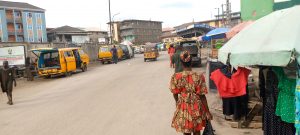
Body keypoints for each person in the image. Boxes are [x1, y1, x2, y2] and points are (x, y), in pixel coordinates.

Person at [170, 51, 212, 135]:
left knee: (186, 131)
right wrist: (207, 112)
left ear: (181, 63)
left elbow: (175, 93)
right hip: (197, 106)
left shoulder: (176, 76)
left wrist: (178, 102)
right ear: (191, 62)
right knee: (197, 131)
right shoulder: (199, 76)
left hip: (183, 106)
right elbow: (202, 96)